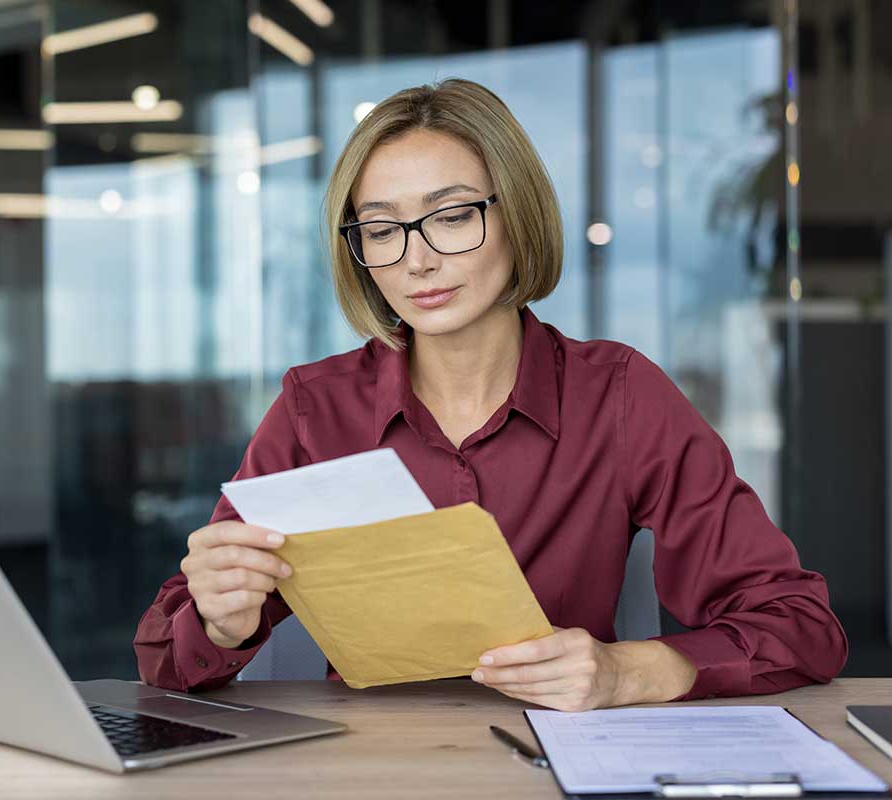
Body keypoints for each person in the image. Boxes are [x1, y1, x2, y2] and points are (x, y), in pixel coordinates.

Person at [133, 78, 847, 712]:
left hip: (560, 761)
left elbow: (800, 625)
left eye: (451, 216)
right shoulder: (314, 410)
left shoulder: (619, 396)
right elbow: (163, 658)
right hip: (367, 771)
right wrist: (220, 623)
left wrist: (628, 672)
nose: (417, 260)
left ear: (517, 215)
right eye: (380, 229)